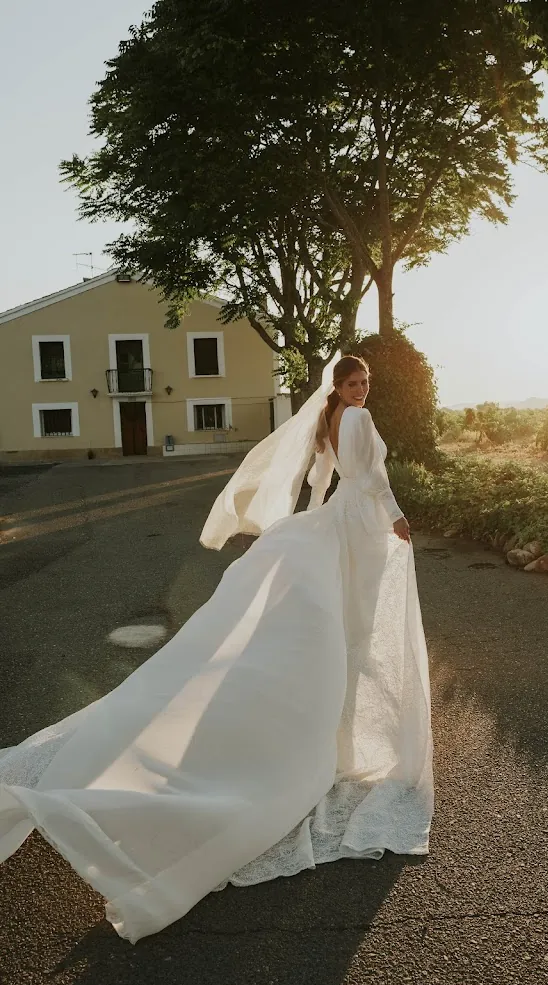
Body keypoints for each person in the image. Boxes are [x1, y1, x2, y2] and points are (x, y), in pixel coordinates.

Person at [0, 353, 433, 944]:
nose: (360, 389)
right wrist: (398, 518)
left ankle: (333, 727)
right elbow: (372, 480)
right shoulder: (356, 419)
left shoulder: (331, 417)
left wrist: (314, 523)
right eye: (353, 382)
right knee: (351, 633)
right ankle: (335, 733)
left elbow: (319, 479)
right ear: (339, 385)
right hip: (358, 524)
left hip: (338, 520)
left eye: (364, 382)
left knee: (338, 632)